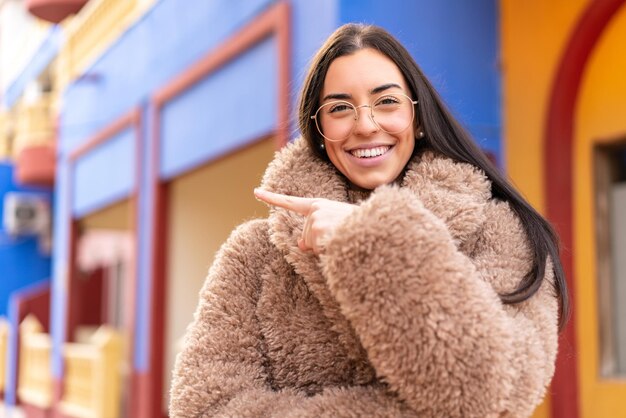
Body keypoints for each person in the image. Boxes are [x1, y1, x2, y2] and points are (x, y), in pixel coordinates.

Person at [169, 23, 567, 418]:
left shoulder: (497, 229)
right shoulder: (254, 255)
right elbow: (203, 406)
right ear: (320, 129)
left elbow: (486, 392)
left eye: (387, 102)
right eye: (340, 108)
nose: (365, 125)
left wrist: (376, 241)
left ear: (419, 115)